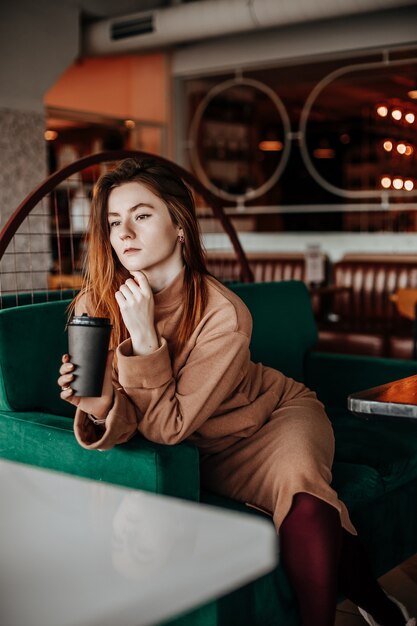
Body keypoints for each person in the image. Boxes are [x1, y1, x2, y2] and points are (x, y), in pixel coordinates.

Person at [58, 158, 415, 626]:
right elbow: (138, 420)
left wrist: (144, 339)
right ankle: (383, 607)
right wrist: (100, 405)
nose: (124, 232)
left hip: (271, 420)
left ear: (179, 224)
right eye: (113, 221)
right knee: (306, 504)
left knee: (305, 497)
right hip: (198, 451)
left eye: (142, 215)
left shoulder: (224, 313)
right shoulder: (95, 305)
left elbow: (166, 426)